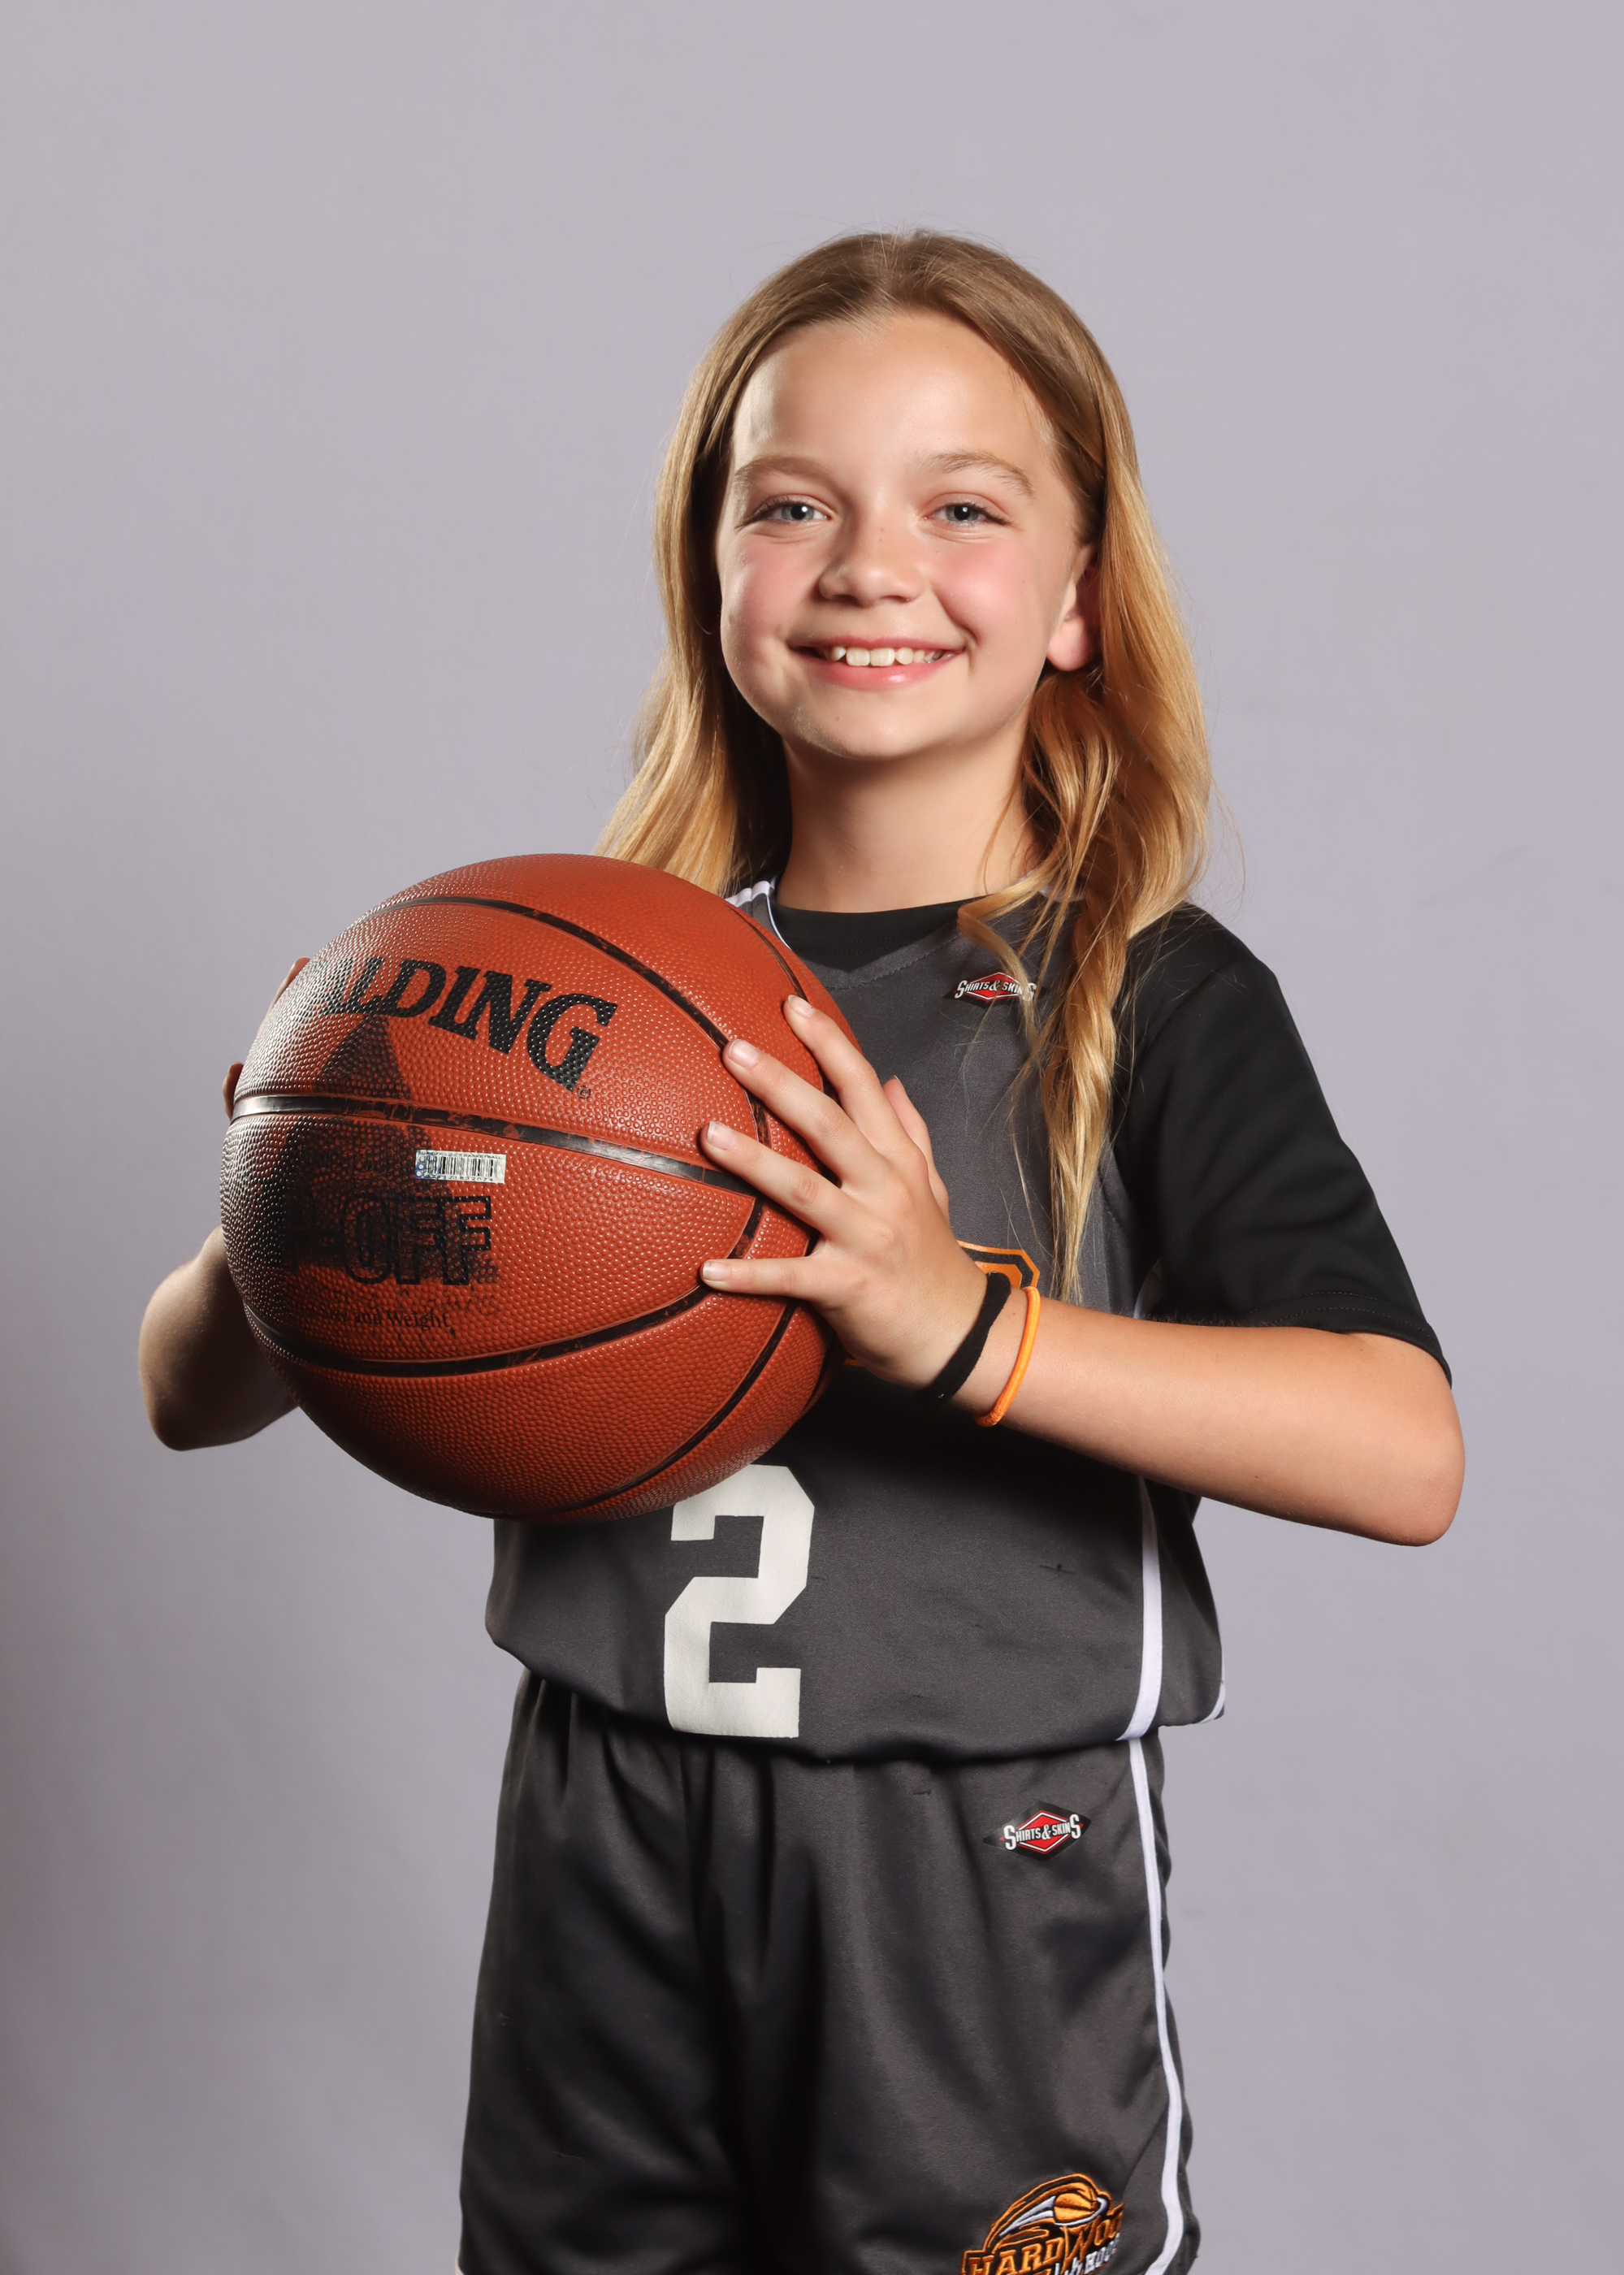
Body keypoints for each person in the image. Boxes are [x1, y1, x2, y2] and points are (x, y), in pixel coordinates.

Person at [140, 231, 1464, 2275]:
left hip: (963, 1840)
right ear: (710, 572)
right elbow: (184, 1391)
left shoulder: (1151, 995)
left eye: (961, 507)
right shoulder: (572, 985)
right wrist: (297, 1189)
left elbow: (1402, 1449)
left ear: (1081, 597)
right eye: (791, 505)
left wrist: (962, 1327)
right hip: (601, 1801)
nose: (868, 566)